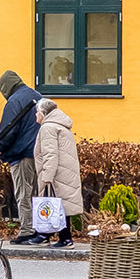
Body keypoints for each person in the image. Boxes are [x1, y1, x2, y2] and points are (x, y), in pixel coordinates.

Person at [0, 70, 41, 235]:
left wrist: (0, 148)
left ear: (6, 87)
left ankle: (27, 230)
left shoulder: (14, 101)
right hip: (39, 153)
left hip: (22, 154)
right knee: (35, 193)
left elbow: (9, 130)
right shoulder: (37, 96)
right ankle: (39, 229)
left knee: (24, 193)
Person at [31, 97, 82, 247]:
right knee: (59, 204)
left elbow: (50, 154)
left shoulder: (48, 128)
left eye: (37, 112)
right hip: (64, 172)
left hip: (56, 174)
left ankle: (64, 239)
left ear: (43, 113)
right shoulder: (60, 125)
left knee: (56, 205)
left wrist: (47, 177)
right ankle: (47, 235)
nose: (36, 116)